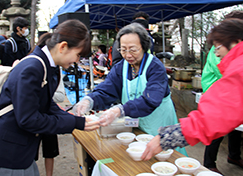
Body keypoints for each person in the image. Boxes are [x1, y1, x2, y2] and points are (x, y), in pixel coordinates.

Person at [0, 19, 100, 176]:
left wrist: (76, 120)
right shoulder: (32, 68)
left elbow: (46, 104)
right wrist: (74, 124)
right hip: (4, 152)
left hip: (18, 151)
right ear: (63, 47)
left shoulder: (48, 66)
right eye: (78, 54)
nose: (76, 61)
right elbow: (28, 119)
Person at [73, 22, 187, 155]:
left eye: (133, 49)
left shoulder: (155, 67)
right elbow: (107, 90)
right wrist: (89, 100)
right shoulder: (121, 67)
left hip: (158, 124)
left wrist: (120, 110)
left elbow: (150, 100)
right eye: (123, 49)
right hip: (137, 126)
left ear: (143, 47)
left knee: (164, 158)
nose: (128, 55)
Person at [141, 18, 243, 162]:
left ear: (236, 41)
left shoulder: (239, 67)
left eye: (218, 46)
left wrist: (168, 137)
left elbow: (216, 115)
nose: (216, 54)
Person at [201, 10, 243, 174]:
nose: (217, 52)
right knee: (215, 128)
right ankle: (209, 163)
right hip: (215, 90)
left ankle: (233, 155)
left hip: (228, 94)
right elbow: (225, 72)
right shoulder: (221, 46)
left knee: (233, 127)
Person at [34, 32, 66, 176]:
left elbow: (60, 95)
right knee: (31, 150)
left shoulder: (55, 70)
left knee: (50, 150)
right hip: (35, 118)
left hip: (48, 116)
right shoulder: (34, 66)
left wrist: (46, 95)